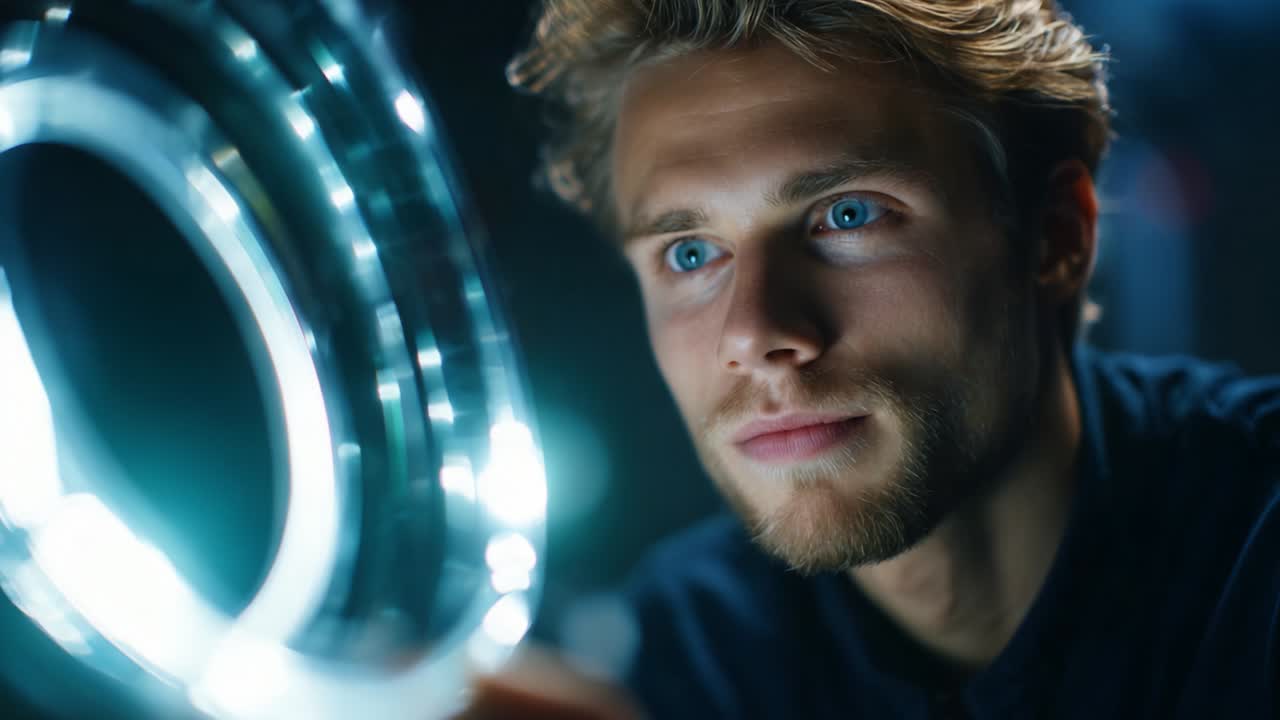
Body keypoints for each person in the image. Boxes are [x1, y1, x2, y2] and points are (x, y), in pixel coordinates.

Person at [466, 1, 1280, 717]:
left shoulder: (1256, 554)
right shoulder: (693, 648)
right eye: (690, 253)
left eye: (848, 215)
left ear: (1055, 238)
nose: (756, 332)